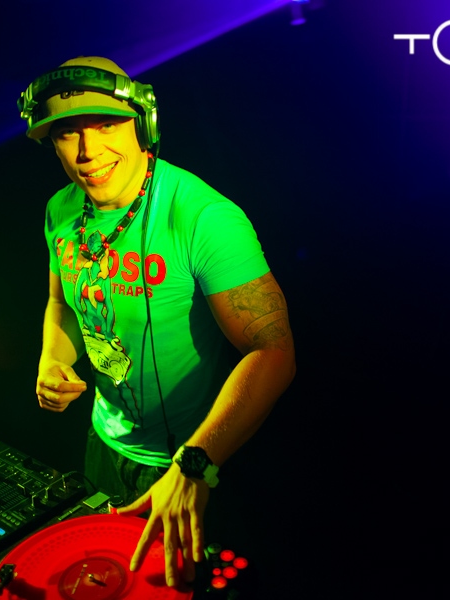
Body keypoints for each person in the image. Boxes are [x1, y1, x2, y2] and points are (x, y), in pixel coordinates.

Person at [24, 56, 296, 589]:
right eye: (67, 133)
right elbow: (63, 304)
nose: (87, 151)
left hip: (195, 456)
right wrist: (52, 358)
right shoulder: (61, 209)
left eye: (106, 125)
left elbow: (274, 352)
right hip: (105, 445)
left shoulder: (203, 217)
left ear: (143, 122)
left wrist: (196, 465)